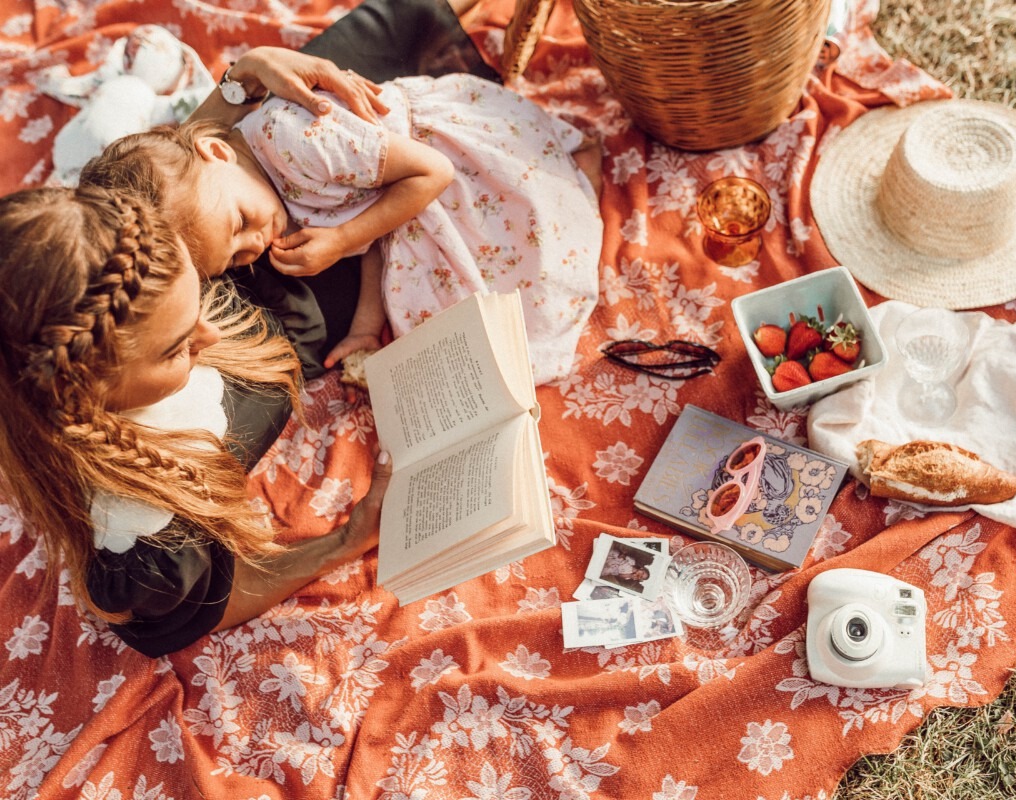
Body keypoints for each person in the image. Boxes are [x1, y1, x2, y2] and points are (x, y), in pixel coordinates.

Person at [0, 185, 393, 658]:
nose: (210, 332)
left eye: (199, 295)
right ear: (85, 393)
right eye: (175, 347)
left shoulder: (120, 267)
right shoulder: (145, 541)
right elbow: (210, 604)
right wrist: (347, 541)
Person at [80, 72, 604, 384]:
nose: (255, 244)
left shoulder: (295, 139)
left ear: (217, 151)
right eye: (237, 258)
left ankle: (581, 173)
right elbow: (376, 230)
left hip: (442, 161)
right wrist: (361, 329)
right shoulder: (252, 193)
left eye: (239, 225)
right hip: (401, 199)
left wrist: (341, 240)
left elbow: (432, 174)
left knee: (537, 243)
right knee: (450, 328)